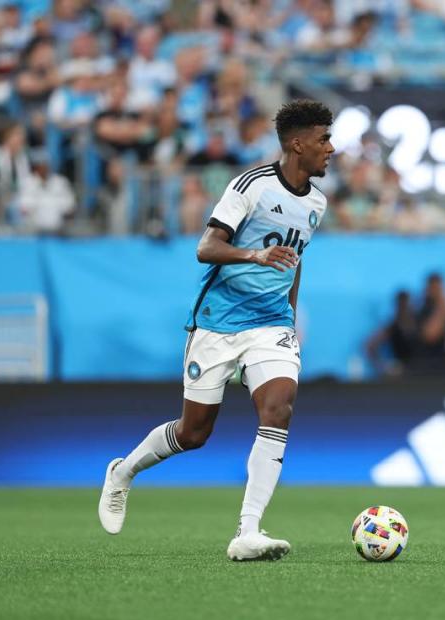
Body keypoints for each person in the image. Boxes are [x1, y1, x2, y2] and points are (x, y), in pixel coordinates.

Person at [98, 99, 335, 562]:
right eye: (324, 139)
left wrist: (289, 312)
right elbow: (206, 247)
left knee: (278, 407)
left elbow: (295, 258)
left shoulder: (318, 202)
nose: (331, 148)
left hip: (271, 325)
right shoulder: (250, 186)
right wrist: (254, 256)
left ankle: (248, 531)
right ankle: (122, 473)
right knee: (193, 433)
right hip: (218, 323)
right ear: (297, 143)